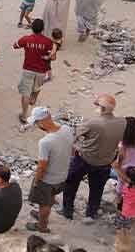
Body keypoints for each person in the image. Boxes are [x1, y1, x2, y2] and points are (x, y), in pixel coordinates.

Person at [61, 93, 125, 223]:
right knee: (97, 189)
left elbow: (75, 134)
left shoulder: (94, 122)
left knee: (71, 185)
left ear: (101, 108)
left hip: (85, 159)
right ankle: (91, 214)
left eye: (97, 105)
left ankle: (67, 211)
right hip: (105, 162)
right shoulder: (122, 122)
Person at [24, 107, 73, 234]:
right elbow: (72, 150)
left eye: (36, 122)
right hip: (62, 175)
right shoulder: (67, 129)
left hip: (48, 179)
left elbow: (42, 166)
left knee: (43, 203)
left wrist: (36, 180)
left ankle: (42, 225)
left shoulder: (45, 142)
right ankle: (42, 215)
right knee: (51, 197)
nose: (36, 125)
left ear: (41, 122)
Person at [13, 19, 54, 124]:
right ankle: (33, 98)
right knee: (37, 87)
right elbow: (51, 57)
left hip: (28, 69)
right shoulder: (48, 42)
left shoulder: (26, 39)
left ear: (32, 28)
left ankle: (23, 115)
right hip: (41, 71)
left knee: (25, 93)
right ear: (43, 29)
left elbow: (15, 45)